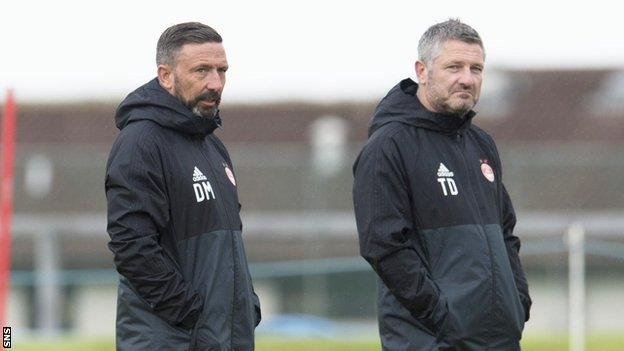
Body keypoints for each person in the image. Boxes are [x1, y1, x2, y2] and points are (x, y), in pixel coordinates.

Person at [352, 19, 531, 350]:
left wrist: (517, 302)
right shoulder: (388, 146)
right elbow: (384, 245)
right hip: (432, 340)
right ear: (422, 71)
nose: (467, 78)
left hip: (498, 338)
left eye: (476, 68)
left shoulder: (481, 143)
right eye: (454, 67)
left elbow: (506, 234)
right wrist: (443, 316)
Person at [105, 22, 260, 351]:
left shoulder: (213, 147)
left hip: (222, 336)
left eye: (222, 71)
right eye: (202, 70)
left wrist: (246, 302)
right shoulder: (141, 142)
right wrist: (192, 313)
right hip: (174, 339)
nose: (215, 84)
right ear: (165, 76)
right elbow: (132, 246)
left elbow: (225, 249)